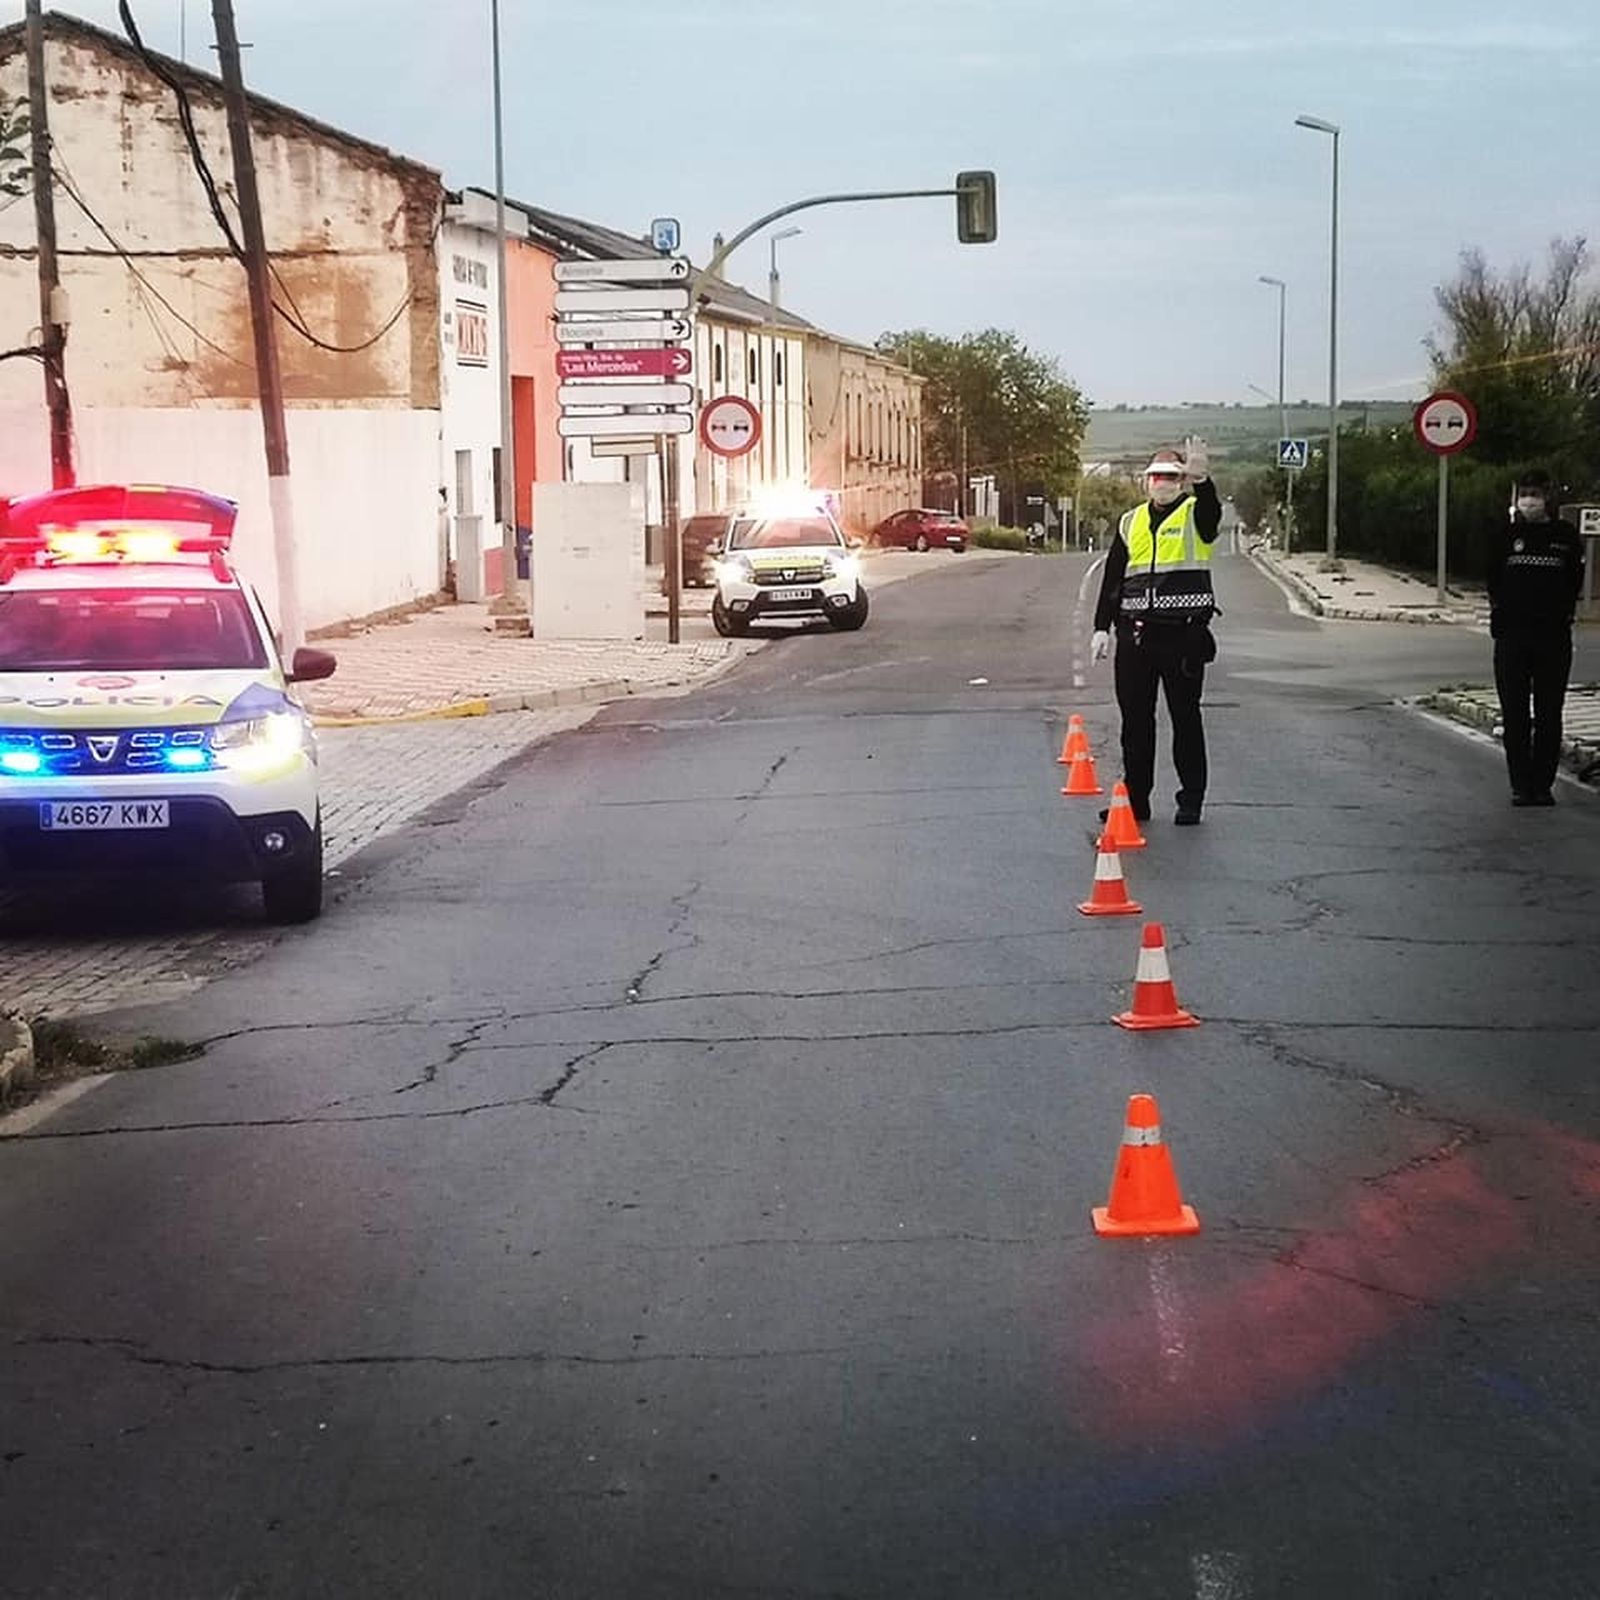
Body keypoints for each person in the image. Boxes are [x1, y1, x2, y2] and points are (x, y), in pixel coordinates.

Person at [1090, 437, 1220, 826]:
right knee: (1135, 723)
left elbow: (1212, 514)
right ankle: (1136, 799)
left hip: (1183, 637)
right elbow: (1113, 577)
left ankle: (1190, 798)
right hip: (1135, 637)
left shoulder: (1197, 514)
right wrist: (1101, 627)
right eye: (1155, 476)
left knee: (1185, 719)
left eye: (1170, 476)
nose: (1161, 482)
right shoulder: (1131, 521)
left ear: (1181, 481)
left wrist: (1204, 482)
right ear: (1146, 480)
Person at [1486, 469, 1585, 806]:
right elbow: (1493, 580)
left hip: (1552, 638)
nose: (1529, 500)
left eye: (1535, 493)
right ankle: (1520, 784)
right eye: (1524, 493)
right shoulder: (1506, 535)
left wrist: (1561, 612)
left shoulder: (1565, 536)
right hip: (1512, 637)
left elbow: (1574, 580)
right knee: (1514, 713)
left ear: (1548, 497)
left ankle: (1542, 785)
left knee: (1548, 713)